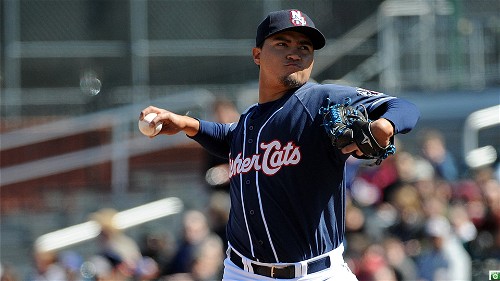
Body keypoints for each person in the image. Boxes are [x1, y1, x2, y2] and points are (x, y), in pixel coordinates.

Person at [140, 9, 419, 280]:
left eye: (305, 47)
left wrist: (386, 125)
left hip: (315, 273)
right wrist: (187, 125)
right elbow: (231, 138)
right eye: (282, 43)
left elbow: (402, 106)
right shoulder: (251, 119)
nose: (295, 52)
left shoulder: (321, 100)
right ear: (257, 55)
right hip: (241, 272)